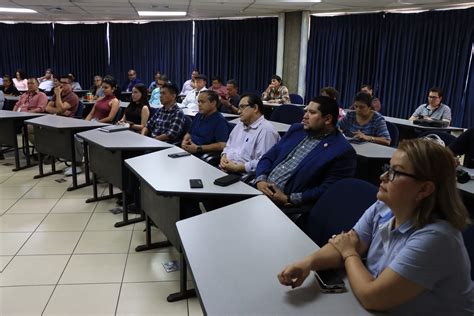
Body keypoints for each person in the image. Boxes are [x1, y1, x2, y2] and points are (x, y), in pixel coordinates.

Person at [278, 139, 474, 314]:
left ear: (424, 189)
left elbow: (372, 297)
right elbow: (350, 241)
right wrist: (308, 263)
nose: (383, 177)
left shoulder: (437, 238)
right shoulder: (384, 206)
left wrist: (349, 254)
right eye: (387, 168)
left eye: (395, 172)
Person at [255, 96, 357, 208]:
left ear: (327, 119)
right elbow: (269, 156)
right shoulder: (296, 130)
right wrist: (260, 179)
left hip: (284, 205)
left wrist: (289, 198)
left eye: (312, 113)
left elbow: (328, 190)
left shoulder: (342, 150)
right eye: (306, 111)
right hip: (260, 189)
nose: (305, 116)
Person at [220, 94, 280, 175]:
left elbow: (264, 162)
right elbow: (228, 146)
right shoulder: (240, 124)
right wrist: (224, 156)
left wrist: (238, 168)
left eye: (242, 107)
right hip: (225, 169)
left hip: (243, 176)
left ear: (255, 108)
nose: (238, 111)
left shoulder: (266, 131)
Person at [181, 90, 229, 156]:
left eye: (203, 102)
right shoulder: (198, 115)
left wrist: (199, 148)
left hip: (201, 155)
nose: (199, 104)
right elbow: (189, 133)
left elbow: (222, 144)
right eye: (198, 102)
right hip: (188, 150)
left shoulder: (219, 120)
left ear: (213, 103)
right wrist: (184, 141)